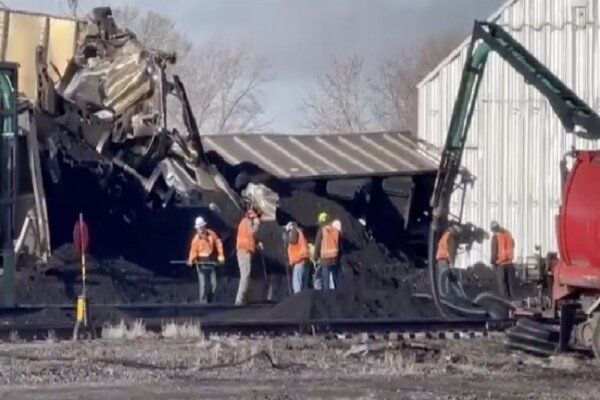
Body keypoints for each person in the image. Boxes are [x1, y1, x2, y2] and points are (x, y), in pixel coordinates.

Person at [187, 216, 225, 303]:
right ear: (197, 229)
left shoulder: (211, 234)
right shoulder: (195, 240)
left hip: (211, 262)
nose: (201, 230)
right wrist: (191, 260)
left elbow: (218, 243)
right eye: (199, 228)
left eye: (202, 227)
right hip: (201, 264)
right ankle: (203, 303)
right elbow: (193, 251)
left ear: (204, 226)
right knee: (203, 284)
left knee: (214, 284)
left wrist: (221, 255)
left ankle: (210, 301)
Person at [235, 206, 261, 305]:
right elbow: (252, 232)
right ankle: (239, 300)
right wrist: (257, 224)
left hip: (244, 250)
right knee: (245, 275)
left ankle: (243, 298)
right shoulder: (248, 221)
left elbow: (248, 237)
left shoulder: (244, 221)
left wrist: (256, 244)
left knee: (246, 275)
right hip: (244, 251)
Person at [313, 212, 341, 290]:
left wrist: (315, 257)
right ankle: (337, 294)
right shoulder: (335, 230)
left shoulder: (322, 231)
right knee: (335, 279)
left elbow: (317, 244)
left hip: (325, 259)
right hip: (335, 258)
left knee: (326, 280)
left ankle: (327, 297)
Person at [490, 220, 515, 300]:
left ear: (494, 229)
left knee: (502, 285)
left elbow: (494, 251)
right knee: (509, 284)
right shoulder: (508, 233)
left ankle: (504, 302)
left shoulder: (495, 237)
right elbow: (513, 244)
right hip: (510, 263)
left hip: (501, 264)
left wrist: (492, 263)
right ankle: (511, 301)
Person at [435, 224, 461, 299]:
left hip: (440, 260)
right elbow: (450, 251)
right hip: (444, 260)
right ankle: (446, 297)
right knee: (446, 279)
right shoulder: (451, 238)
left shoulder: (445, 236)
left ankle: (444, 295)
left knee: (443, 278)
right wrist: (451, 264)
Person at [283, 222, 310, 294]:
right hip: (304, 259)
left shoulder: (295, 231)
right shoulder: (300, 232)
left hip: (299, 259)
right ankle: (304, 299)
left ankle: (298, 299)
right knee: (303, 283)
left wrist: (286, 238)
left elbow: (293, 240)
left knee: (297, 282)